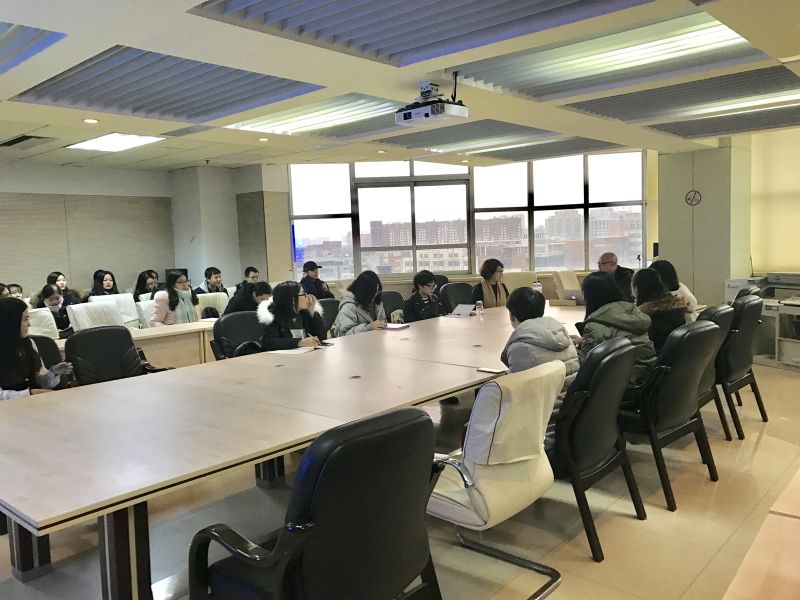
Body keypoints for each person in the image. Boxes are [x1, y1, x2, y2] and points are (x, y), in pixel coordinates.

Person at [501, 287, 579, 450]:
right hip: (571, 414)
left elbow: (516, 396)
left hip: (544, 423)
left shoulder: (521, 346)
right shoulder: (561, 333)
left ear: (511, 316)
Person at [577, 272, 656, 386]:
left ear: (588, 297)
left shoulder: (596, 325)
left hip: (622, 386)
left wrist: (572, 351)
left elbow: (584, 368)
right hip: (645, 379)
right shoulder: (633, 312)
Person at [0, 297, 72, 399]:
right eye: (25, 319)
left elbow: (41, 381)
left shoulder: (28, 343)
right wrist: (29, 393)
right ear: (10, 322)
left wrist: (54, 373)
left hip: (34, 401)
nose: (29, 324)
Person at [632, 268, 688, 355]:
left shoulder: (645, 318)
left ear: (636, 289)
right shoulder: (676, 309)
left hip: (653, 358)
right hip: (674, 357)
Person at [257, 281, 326, 351]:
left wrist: (312, 312)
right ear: (292, 299)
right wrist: (299, 342)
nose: (307, 297)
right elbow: (268, 342)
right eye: (303, 294)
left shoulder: (304, 314)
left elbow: (322, 337)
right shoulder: (274, 316)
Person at [332, 270, 386, 336]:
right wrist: (368, 327)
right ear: (364, 292)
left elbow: (382, 321)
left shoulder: (377, 302)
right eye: (372, 293)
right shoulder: (349, 306)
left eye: (377, 292)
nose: (375, 296)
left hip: (373, 338)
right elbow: (344, 333)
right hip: (350, 341)